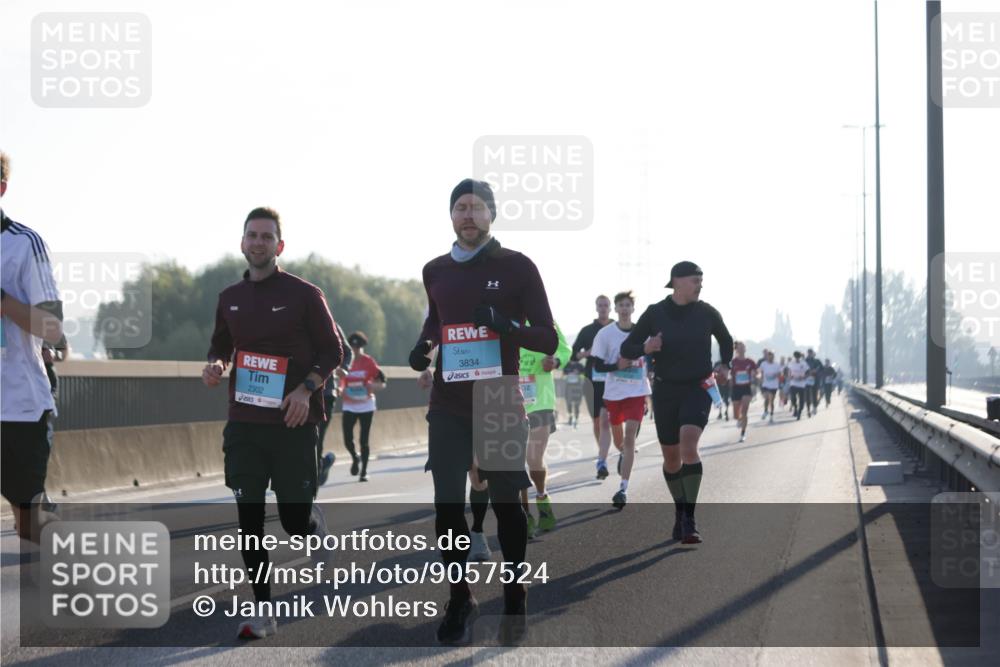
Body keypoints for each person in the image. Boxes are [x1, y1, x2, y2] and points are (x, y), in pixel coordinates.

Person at [408, 179, 556, 645]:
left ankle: (514, 597)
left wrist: (506, 325)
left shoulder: (517, 267)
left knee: (508, 503)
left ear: (492, 214)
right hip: (448, 403)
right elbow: (437, 319)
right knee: (446, 506)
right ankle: (461, 596)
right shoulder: (434, 269)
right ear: (450, 216)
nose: (467, 215)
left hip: (498, 399)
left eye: (476, 207)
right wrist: (424, 345)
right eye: (460, 208)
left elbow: (547, 338)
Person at [203, 206, 344, 639]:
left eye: (267, 236)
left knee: (292, 521)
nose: (259, 242)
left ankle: (312, 523)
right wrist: (215, 365)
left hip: (293, 421)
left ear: (279, 246)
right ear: (242, 243)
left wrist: (306, 390)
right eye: (252, 235)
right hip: (245, 423)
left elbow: (333, 351)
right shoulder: (229, 298)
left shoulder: (304, 294)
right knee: (248, 517)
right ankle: (263, 609)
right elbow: (220, 347)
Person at [621, 261, 733, 544]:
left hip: (698, 388)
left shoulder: (707, 312)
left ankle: (690, 518)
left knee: (688, 445)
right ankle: (680, 510)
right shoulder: (655, 313)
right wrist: (646, 347)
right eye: (696, 280)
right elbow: (627, 348)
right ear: (678, 282)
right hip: (665, 391)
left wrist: (725, 365)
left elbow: (726, 339)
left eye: (701, 280)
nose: (700, 285)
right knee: (671, 459)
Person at [1, 149, 64, 543]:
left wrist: (3, 302)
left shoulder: (25, 244)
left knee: (29, 527)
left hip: (18, 406)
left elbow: (53, 327)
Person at [590, 291, 652, 509]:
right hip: (614, 393)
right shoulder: (605, 335)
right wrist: (618, 366)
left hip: (637, 392)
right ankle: (622, 455)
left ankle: (623, 488)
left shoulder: (643, 333)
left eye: (628, 305)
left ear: (633, 309)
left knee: (630, 438)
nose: (624, 309)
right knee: (620, 442)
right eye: (621, 305)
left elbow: (652, 358)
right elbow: (597, 366)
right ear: (616, 309)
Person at [519, 322, 571, 535]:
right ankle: (524, 515)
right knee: (514, 461)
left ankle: (542, 497)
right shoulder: (499, 317)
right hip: (508, 398)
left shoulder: (542, 318)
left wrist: (555, 361)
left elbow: (565, 349)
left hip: (540, 399)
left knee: (533, 459)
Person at [571, 296, 613, 479]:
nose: (603, 308)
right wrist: (589, 352)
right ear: (596, 308)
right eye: (600, 305)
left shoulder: (617, 329)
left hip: (615, 380)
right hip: (592, 381)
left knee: (611, 420)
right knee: (598, 420)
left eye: (606, 305)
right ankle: (602, 452)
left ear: (610, 308)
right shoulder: (587, 331)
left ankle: (614, 449)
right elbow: (574, 355)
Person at [340, 331, 386, 482]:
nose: (355, 350)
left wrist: (372, 386)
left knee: (363, 440)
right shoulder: (345, 362)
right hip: (349, 404)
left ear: (362, 348)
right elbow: (340, 380)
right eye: (352, 347)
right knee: (347, 439)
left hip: (366, 405)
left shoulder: (369, 362)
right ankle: (355, 457)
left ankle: (364, 471)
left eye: (358, 348)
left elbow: (382, 383)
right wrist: (340, 389)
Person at [317, 321, 352, 486]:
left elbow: (347, 351)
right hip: (295, 392)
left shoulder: (330, 324)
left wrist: (344, 367)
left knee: (316, 436)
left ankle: (315, 472)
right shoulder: (290, 320)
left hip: (326, 392)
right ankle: (321, 464)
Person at [730, 341, 757, 442]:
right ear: (736, 350)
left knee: (744, 411)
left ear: (745, 349)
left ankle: (743, 434)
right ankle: (739, 419)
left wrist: (755, 376)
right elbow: (730, 375)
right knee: (736, 416)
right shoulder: (733, 362)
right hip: (736, 389)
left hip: (746, 388)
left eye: (743, 347)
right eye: (739, 348)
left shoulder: (750, 362)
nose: (741, 349)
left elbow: (756, 373)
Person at [758, 350, 782, 424]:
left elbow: (779, 374)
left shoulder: (777, 365)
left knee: (771, 400)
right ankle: (765, 411)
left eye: (771, 356)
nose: (770, 357)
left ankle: (771, 415)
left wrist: (775, 375)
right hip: (765, 384)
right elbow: (761, 373)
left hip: (773, 385)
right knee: (766, 399)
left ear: (773, 357)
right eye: (769, 355)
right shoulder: (763, 364)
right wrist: (761, 381)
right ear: (767, 357)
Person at [562, 358, 586, 428]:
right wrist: (568, 375)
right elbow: (563, 375)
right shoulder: (566, 365)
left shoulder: (580, 366)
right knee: (568, 403)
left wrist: (579, 374)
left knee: (577, 404)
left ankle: (576, 419)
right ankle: (570, 417)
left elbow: (584, 375)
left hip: (577, 387)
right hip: (569, 387)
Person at [787, 351, 810, 420]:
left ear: (800, 357)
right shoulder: (791, 363)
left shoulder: (804, 363)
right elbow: (789, 371)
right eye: (796, 357)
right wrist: (789, 376)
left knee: (802, 401)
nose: (797, 358)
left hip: (801, 384)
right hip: (793, 383)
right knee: (793, 398)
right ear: (794, 357)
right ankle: (795, 408)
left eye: (798, 357)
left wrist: (804, 377)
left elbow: (808, 372)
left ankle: (799, 412)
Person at [804, 348, 822, 415]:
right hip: (807, 380)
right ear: (807, 353)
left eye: (811, 353)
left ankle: (814, 407)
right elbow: (802, 369)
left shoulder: (817, 361)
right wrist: (807, 373)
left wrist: (816, 371)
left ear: (813, 353)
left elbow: (821, 369)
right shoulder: (804, 361)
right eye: (809, 353)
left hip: (815, 380)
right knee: (807, 395)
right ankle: (808, 409)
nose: (810, 354)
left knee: (814, 395)